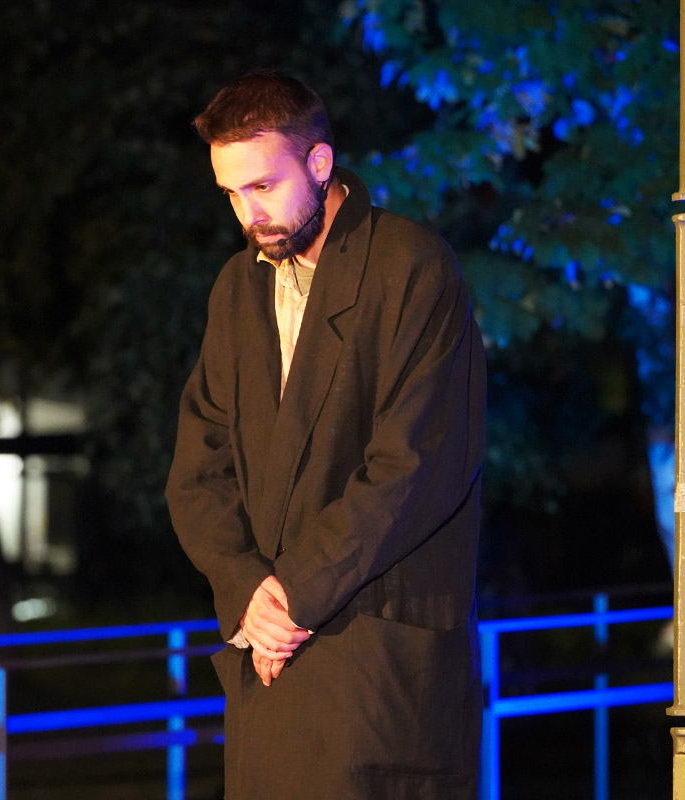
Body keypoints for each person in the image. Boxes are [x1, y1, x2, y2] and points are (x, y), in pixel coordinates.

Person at [165, 70, 486, 799]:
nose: (249, 213)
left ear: (319, 162)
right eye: (230, 193)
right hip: (267, 661)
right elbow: (198, 470)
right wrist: (246, 589)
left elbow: (415, 465)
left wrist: (292, 599)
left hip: (376, 663)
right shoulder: (237, 287)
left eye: (263, 186)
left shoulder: (411, 266)